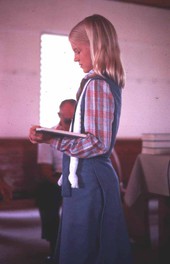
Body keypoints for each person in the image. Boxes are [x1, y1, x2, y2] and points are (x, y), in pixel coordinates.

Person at [29, 14, 133, 264]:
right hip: (89, 176)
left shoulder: (97, 84)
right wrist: (52, 135)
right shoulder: (105, 82)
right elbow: (89, 134)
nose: (75, 57)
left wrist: (51, 140)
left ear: (96, 46)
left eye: (77, 50)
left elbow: (98, 143)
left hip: (90, 178)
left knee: (85, 249)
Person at [35, 99, 76, 264]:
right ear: (59, 115)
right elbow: (45, 170)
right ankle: (54, 245)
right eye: (67, 120)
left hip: (79, 176)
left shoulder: (83, 135)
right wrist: (62, 183)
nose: (70, 124)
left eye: (73, 120)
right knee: (45, 193)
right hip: (57, 178)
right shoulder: (48, 135)